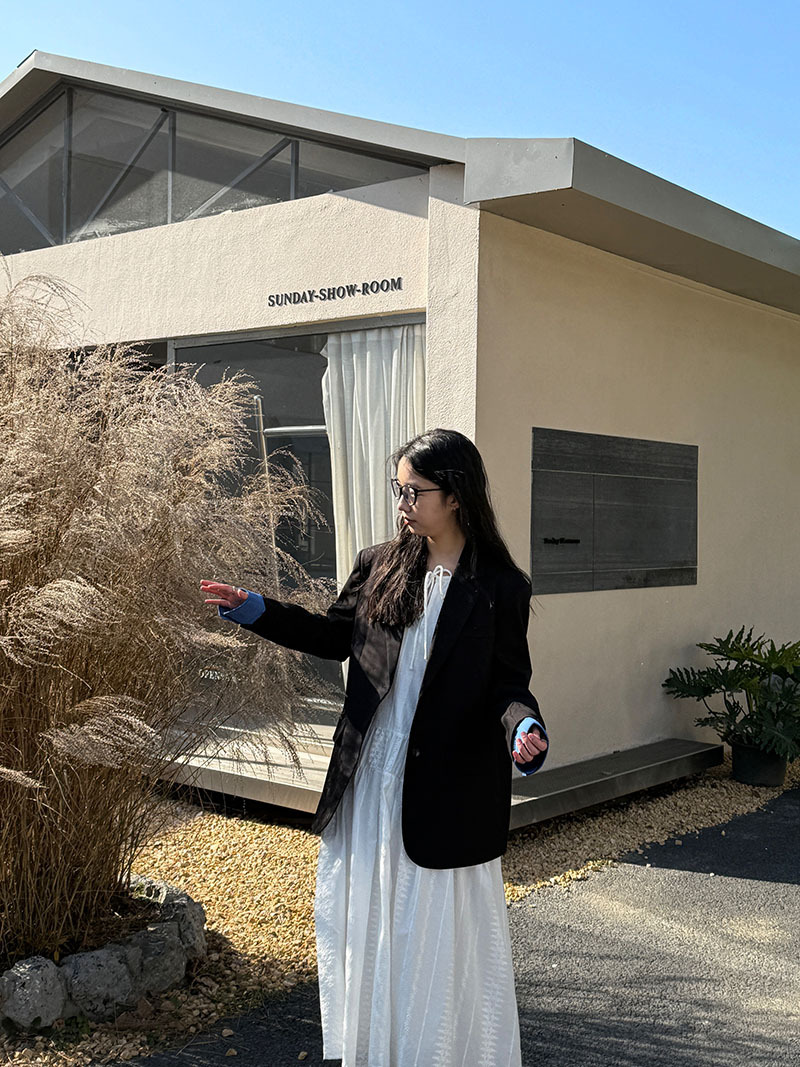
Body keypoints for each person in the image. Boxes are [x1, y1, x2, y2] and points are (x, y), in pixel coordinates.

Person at [201, 428, 549, 1067]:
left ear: (456, 495)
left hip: (448, 784)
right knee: (370, 919)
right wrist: (258, 611)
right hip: (371, 773)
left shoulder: (501, 586)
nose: (403, 504)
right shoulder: (379, 564)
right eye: (399, 490)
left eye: (415, 492)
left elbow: (508, 683)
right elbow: (335, 637)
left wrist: (523, 726)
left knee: (433, 927)